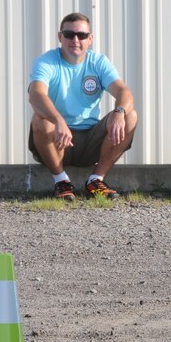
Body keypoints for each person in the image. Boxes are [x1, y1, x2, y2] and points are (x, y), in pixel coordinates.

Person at [28, 12, 138, 201]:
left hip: (90, 141)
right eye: (69, 34)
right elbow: (36, 95)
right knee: (41, 119)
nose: (75, 40)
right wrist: (58, 120)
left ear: (90, 39)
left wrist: (119, 112)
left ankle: (96, 181)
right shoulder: (47, 62)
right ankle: (61, 181)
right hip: (58, 141)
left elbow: (124, 92)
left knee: (130, 115)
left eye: (82, 35)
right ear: (60, 37)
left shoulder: (98, 62)